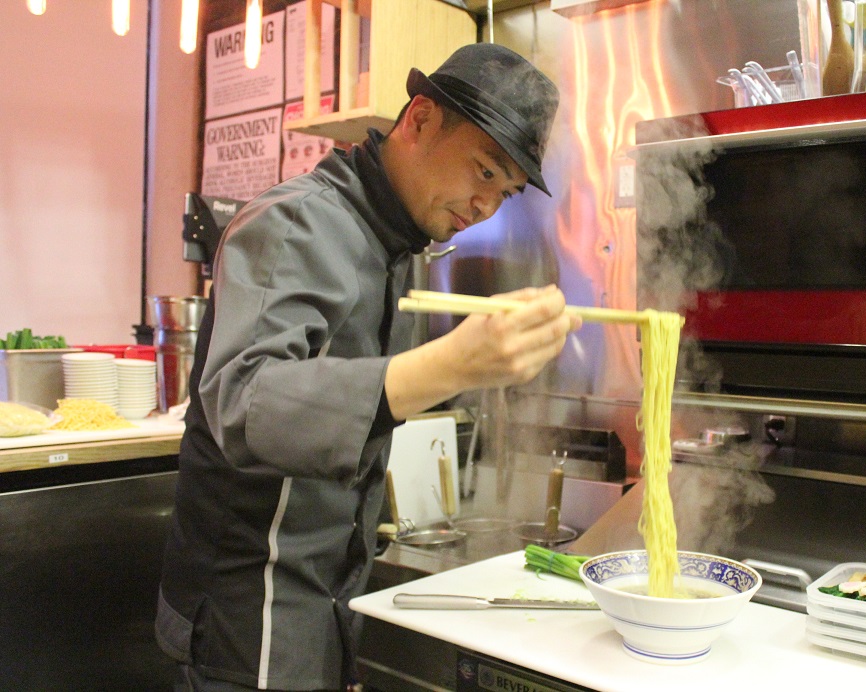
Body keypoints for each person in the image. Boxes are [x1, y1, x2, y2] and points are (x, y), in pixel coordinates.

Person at [155, 43, 578, 691]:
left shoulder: (395, 247)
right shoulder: (294, 222)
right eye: (484, 171)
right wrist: (449, 365)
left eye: (506, 192)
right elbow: (243, 403)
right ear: (420, 119)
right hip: (252, 612)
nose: (485, 205)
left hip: (328, 602)